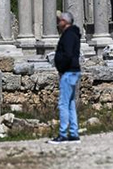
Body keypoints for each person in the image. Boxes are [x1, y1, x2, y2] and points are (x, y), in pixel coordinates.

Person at [49, 11, 81, 144]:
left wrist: (60, 67)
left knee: (63, 104)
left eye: (60, 20)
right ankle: (73, 133)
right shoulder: (74, 34)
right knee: (71, 104)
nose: (58, 23)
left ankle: (63, 134)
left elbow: (67, 54)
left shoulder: (68, 35)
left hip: (68, 72)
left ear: (65, 22)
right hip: (74, 71)